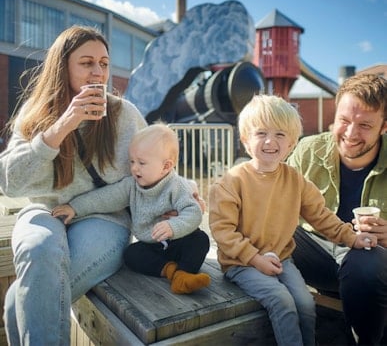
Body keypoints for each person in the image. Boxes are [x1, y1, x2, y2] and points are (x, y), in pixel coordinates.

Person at [0, 25, 147, 345]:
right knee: (39, 248)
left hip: (105, 219)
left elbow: (144, 177)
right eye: (87, 63)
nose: (98, 72)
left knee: (15, 304)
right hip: (44, 210)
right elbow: (10, 183)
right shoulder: (36, 112)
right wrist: (62, 125)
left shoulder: (124, 115)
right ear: (63, 65)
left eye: (104, 64)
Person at [209, 94, 376, 346]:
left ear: (291, 144)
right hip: (241, 262)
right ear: (245, 139)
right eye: (261, 133)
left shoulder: (295, 179)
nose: (270, 141)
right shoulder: (233, 181)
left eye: (280, 134)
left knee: (305, 303)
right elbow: (223, 231)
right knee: (282, 301)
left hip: (281, 259)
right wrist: (255, 259)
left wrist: (352, 237)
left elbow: (321, 216)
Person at [287, 73, 387, 345]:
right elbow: (274, 198)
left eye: (365, 125)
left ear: (384, 126)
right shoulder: (308, 151)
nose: (351, 134)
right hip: (315, 256)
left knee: (366, 262)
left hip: (368, 269)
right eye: (344, 120)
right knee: (274, 234)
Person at [53, 123, 211, 295]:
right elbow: (105, 198)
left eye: (142, 163)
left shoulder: (177, 186)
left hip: (179, 240)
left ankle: (185, 274)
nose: (134, 168)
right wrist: (74, 207)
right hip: (152, 245)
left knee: (200, 240)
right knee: (132, 254)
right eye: (132, 161)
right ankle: (171, 271)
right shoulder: (131, 186)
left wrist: (174, 227)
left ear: (166, 166)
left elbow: (194, 212)